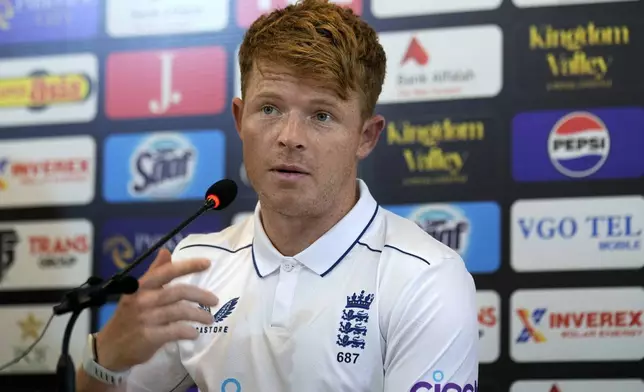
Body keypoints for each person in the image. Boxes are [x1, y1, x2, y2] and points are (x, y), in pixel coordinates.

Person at [76, 0, 479, 391]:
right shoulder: (194, 267)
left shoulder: (426, 277)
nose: (289, 138)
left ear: (366, 136)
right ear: (239, 118)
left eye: (322, 115)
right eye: (269, 109)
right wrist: (107, 358)